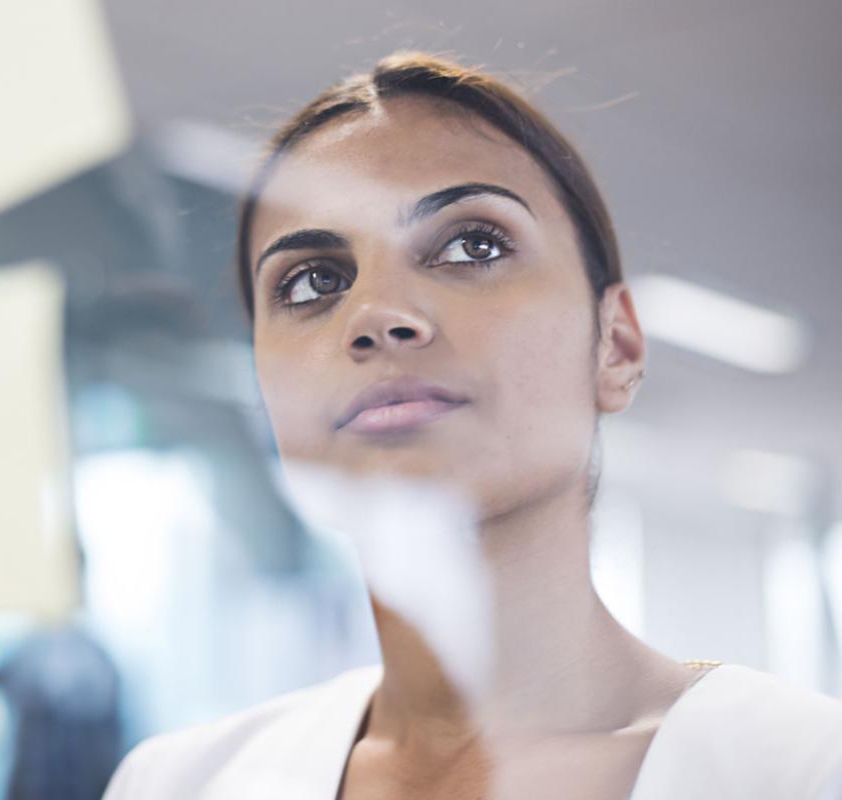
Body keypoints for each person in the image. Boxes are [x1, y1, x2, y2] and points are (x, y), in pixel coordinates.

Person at [102, 52, 842, 799]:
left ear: (615, 347)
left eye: (472, 246)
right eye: (312, 282)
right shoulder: (176, 784)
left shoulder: (805, 769)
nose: (375, 314)